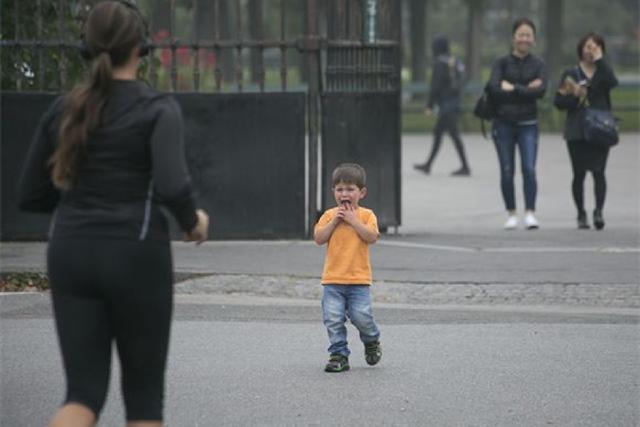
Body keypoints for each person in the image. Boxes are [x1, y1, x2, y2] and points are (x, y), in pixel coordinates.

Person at [18, 2, 209, 426]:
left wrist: (79, 208)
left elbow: (31, 192)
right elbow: (172, 185)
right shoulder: (158, 108)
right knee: (143, 399)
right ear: (141, 48)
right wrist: (194, 222)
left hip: (70, 251)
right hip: (136, 253)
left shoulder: (64, 108)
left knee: (82, 394)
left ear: (87, 49)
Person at [314, 163, 382, 373]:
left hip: (358, 281)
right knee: (333, 319)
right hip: (332, 280)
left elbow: (371, 237)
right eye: (340, 189)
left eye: (350, 189)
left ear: (361, 193)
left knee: (361, 316)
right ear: (333, 192)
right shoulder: (329, 215)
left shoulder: (367, 215)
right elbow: (319, 238)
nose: (345, 193)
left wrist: (353, 221)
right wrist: (335, 221)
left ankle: (371, 340)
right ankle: (339, 354)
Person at [554, 33, 618, 230]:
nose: (591, 50)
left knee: (599, 172)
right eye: (588, 47)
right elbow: (559, 102)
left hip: (600, 128)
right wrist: (575, 95)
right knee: (579, 173)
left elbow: (613, 82)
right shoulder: (571, 74)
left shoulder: (603, 72)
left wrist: (600, 61)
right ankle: (581, 213)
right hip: (577, 130)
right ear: (581, 49)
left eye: (596, 47)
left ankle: (598, 211)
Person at [488, 18, 547, 230]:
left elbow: (540, 91)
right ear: (513, 37)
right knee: (506, 170)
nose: (524, 38)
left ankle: (530, 212)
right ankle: (511, 212)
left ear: (533, 39)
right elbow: (494, 88)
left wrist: (511, 88)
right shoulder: (501, 63)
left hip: (529, 124)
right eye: (521, 34)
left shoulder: (539, 64)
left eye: (528, 35)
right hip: (503, 124)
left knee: (529, 168)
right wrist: (526, 89)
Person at [414, 35, 471, 176]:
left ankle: (465, 167)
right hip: (454, 102)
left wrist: (429, 105)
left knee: (453, 135)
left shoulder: (440, 63)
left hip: (446, 105)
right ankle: (428, 164)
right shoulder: (454, 60)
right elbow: (464, 79)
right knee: (439, 133)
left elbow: (436, 86)